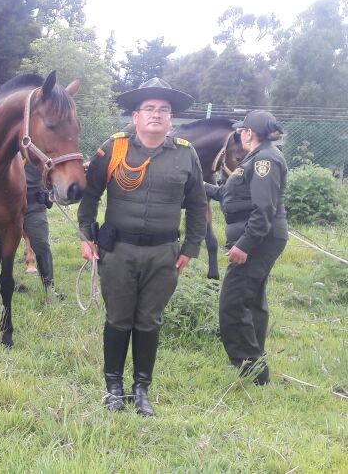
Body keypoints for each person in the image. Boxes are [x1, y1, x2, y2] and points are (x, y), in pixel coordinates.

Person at [77, 77, 208, 416]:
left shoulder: (185, 153)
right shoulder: (115, 147)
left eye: (163, 110)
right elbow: (90, 194)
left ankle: (141, 390)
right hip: (118, 251)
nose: (156, 115)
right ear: (135, 116)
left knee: (149, 321)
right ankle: (114, 388)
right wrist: (85, 237)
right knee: (119, 318)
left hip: (164, 254)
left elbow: (197, 205)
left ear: (171, 119)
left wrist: (190, 248)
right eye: (149, 109)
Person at [203, 110, 287, 385]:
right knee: (252, 301)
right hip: (258, 238)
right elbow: (227, 194)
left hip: (257, 240)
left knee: (233, 301)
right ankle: (255, 368)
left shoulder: (265, 159)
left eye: (241, 130)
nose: (239, 134)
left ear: (249, 132)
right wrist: (196, 183)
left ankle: (249, 368)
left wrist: (244, 245)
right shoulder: (255, 157)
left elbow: (264, 209)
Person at [0, 161, 60, 296]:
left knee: (41, 244)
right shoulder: (10, 151)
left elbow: (52, 176)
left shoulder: (38, 153)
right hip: (9, 205)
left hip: (34, 205)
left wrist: (47, 196)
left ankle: (49, 287)